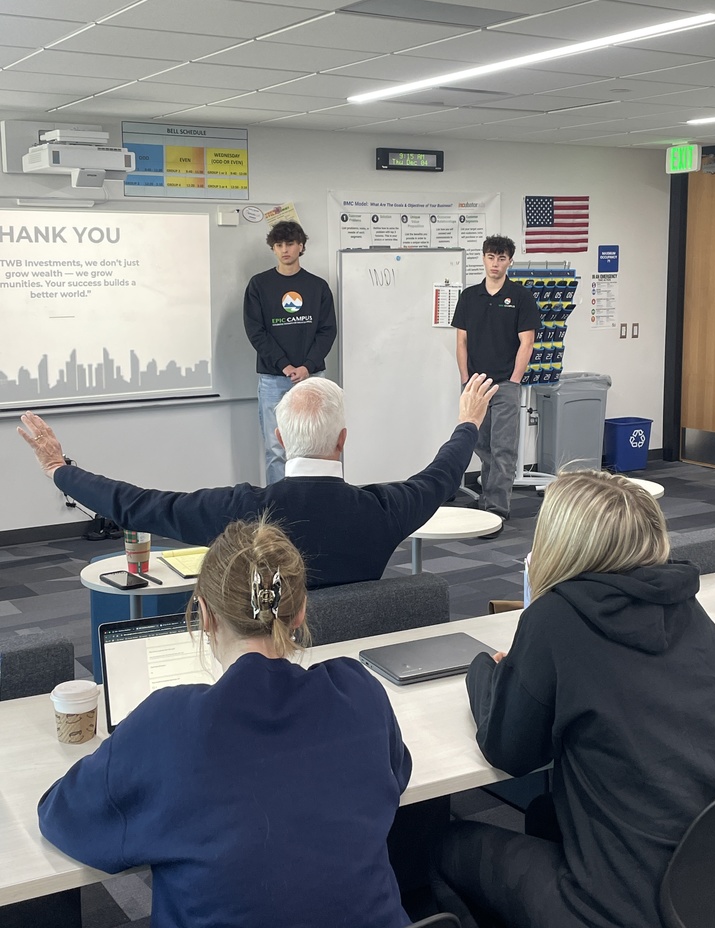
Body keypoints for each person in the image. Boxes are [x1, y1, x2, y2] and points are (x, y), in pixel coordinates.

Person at [38, 518, 412, 928]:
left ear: (204, 614)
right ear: (301, 611)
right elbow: (395, 776)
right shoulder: (359, 690)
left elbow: (64, 817)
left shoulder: (166, 724)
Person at [433, 469, 715, 928]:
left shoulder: (556, 619)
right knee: (544, 813)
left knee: (446, 847)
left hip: (617, 906)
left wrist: (485, 671)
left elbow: (509, 750)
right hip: (710, 889)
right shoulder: (694, 615)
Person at [18, 374, 497, 589]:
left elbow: (137, 504)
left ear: (279, 437)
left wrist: (59, 469)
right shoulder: (384, 508)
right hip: (364, 663)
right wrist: (468, 422)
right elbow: (441, 476)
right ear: (343, 440)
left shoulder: (241, 511)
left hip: (270, 667)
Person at [451, 235, 539, 521]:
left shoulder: (521, 298)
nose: (495, 263)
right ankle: (488, 498)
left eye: (501, 258)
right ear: (484, 258)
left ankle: (497, 509)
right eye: (491, 257)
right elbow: (461, 341)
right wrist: (466, 379)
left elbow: (527, 343)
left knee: (503, 448)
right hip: (476, 385)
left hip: (504, 385)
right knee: (480, 444)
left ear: (509, 261)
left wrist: (513, 381)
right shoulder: (469, 297)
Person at [243, 220, 337, 484]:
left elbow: (327, 330)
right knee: (277, 449)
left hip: (313, 377)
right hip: (274, 379)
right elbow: (256, 331)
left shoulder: (317, 286)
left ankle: (313, 499)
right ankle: (278, 510)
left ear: (301, 246)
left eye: (290, 244)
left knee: (317, 446)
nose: (285, 250)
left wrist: (307, 366)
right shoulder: (259, 285)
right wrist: (284, 365)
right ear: (273, 249)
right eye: (279, 245)